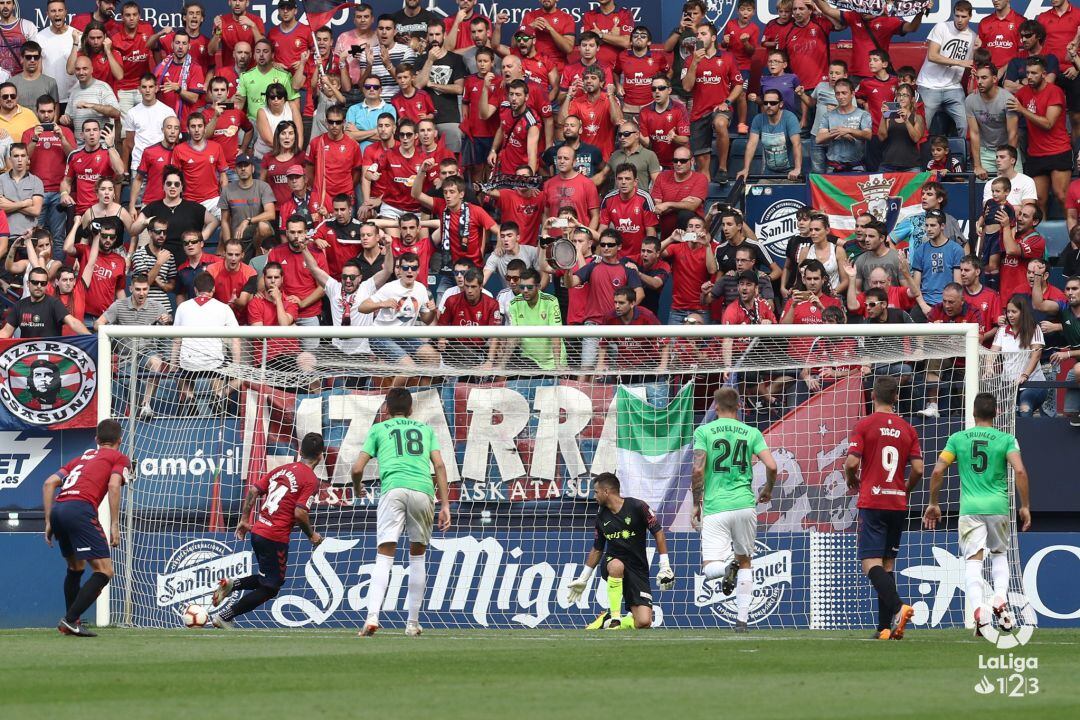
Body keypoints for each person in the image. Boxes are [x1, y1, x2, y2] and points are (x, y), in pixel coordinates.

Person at [924, 392, 1031, 636]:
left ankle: (979, 610)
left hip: (970, 510)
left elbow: (938, 471)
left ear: (972, 413)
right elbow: (1021, 471)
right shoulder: (1006, 439)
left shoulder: (957, 439)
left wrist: (933, 502)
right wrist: (1024, 506)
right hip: (998, 507)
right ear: (996, 413)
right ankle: (999, 599)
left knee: (973, 560)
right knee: (999, 555)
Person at [351, 387, 451, 637]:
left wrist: (356, 488)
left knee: (385, 555)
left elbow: (356, 469)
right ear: (411, 410)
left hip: (393, 489)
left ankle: (372, 617)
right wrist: (445, 504)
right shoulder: (425, 430)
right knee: (417, 555)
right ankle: (412, 623)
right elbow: (439, 464)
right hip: (423, 490)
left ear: (385, 409)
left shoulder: (378, 429)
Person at [211, 432, 325, 629]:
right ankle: (226, 616)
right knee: (271, 587)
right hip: (275, 537)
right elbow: (300, 513)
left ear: (299, 451)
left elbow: (254, 490)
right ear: (321, 456)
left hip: (258, 531)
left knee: (267, 579)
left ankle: (232, 585)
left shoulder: (282, 469)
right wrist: (312, 535)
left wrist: (245, 519)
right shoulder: (311, 480)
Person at [690, 387, 777, 633]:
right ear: (739, 407)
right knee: (745, 561)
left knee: (709, 568)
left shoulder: (704, 431)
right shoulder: (752, 432)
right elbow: (771, 465)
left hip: (716, 507)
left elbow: (698, 470)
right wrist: (768, 489)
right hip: (744, 504)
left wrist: (696, 503)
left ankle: (726, 568)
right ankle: (742, 621)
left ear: (715, 407)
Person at [844, 376, 922, 640]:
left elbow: (852, 462)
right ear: (897, 397)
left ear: (873, 396)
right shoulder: (908, 428)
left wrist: (850, 478)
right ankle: (884, 628)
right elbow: (919, 469)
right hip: (897, 503)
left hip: (874, 500)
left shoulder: (864, 424)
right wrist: (906, 488)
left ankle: (899, 608)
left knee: (870, 564)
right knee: (887, 565)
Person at [43, 419, 130, 637]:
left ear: (96, 440)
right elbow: (113, 485)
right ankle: (70, 620)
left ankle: (72, 621)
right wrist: (114, 524)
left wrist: (48, 521)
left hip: (59, 509)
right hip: (80, 510)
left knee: (76, 568)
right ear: (120, 440)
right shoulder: (119, 457)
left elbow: (49, 483)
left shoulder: (80, 458)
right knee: (105, 570)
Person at [566, 472, 672, 631]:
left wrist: (665, 566)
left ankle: (607, 619)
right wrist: (583, 578)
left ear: (606, 492)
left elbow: (658, 532)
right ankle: (615, 617)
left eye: (596, 492)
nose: (594, 496)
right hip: (612, 563)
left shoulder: (638, 507)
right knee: (616, 565)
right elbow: (597, 549)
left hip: (638, 569)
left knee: (643, 623)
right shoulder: (601, 516)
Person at [96, 273, 170, 419]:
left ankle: (146, 405)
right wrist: (109, 330)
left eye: (145, 289)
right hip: (126, 358)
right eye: (138, 289)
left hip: (147, 353)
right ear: (130, 289)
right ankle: (128, 411)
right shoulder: (119, 305)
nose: (141, 293)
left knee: (157, 363)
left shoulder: (156, 306)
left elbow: (168, 321)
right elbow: (98, 323)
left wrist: (167, 319)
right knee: (129, 386)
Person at [171, 271, 241, 414]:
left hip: (188, 365)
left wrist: (173, 364)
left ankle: (190, 397)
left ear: (195, 290)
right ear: (213, 289)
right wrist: (237, 366)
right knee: (241, 376)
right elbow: (236, 339)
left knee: (177, 371)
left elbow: (177, 341)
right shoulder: (224, 308)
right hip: (213, 365)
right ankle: (219, 395)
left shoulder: (182, 307)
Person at [1010, 56, 1072, 216]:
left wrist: (1023, 110)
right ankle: (1041, 238)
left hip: (1058, 150)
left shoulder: (1055, 92)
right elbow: (1006, 100)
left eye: (1034, 73)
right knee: (1039, 199)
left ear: (1044, 74)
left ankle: (1073, 235)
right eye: (1027, 73)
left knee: (1061, 195)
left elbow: (1048, 123)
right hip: (1036, 153)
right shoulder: (1023, 93)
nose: (1029, 77)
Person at [683, 22, 742, 183]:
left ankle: (723, 169)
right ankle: (706, 200)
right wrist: (695, 62)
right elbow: (687, 87)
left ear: (713, 38)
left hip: (720, 107)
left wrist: (727, 101)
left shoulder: (727, 57)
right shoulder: (690, 60)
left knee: (720, 123)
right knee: (702, 167)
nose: (699, 37)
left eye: (703, 34)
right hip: (698, 112)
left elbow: (738, 84)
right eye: (697, 35)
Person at [915, 2, 975, 136]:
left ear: (970, 16)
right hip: (929, 85)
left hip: (953, 87)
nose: (959, 20)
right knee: (922, 127)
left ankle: (962, 156)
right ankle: (920, 156)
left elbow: (973, 62)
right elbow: (932, 55)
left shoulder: (973, 37)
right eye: (957, 15)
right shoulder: (942, 27)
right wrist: (959, 63)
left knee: (966, 125)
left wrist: (977, 48)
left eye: (964, 16)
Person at [25, 95, 74, 253]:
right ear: (36, 112)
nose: (46, 115)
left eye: (50, 111)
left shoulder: (65, 131)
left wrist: (62, 138)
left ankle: (58, 272)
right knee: (34, 237)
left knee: (58, 237)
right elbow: (23, 159)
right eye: (42, 111)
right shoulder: (29, 133)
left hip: (59, 192)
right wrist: (34, 139)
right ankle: (36, 272)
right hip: (36, 192)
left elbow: (73, 158)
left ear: (55, 111)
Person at [987, 296, 1047, 417]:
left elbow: (1036, 354)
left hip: (1032, 383)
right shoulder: (1002, 330)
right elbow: (992, 353)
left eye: (1014, 312)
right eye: (1008, 312)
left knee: (1024, 410)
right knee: (1005, 417)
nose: (1010, 315)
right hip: (1008, 385)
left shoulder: (1034, 329)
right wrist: (989, 367)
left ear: (1023, 312)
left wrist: (1025, 375)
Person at [503, 267, 565, 370]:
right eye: (522, 287)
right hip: (529, 363)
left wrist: (558, 365)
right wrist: (502, 364)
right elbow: (513, 337)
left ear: (538, 286)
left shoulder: (551, 301)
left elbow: (556, 334)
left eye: (530, 287)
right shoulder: (514, 303)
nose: (525, 291)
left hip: (552, 363)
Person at [1, 265, 89, 337]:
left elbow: (73, 323)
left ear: (46, 285)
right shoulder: (20, 305)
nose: (39, 286)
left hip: (51, 356)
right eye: (35, 282)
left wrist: (92, 338)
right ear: (28, 284)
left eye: (43, 283)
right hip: (27, 356)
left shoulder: (54, 304)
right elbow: (6, 332)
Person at [966, 64, 1019, 180]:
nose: (979, 82)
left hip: (1008, 148)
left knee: (1015, 190)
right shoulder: (970, 100)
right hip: (985, 151)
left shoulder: (1007, 99)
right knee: (983, 191)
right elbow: (974, 133)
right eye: (977, 78)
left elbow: (1013, 133)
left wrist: (1008, 162)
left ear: (994, 79)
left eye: (984, 78)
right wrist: (977, 165)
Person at [660, 218, 716, 325]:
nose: (693, 229)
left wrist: (707, 245)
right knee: (673, 342)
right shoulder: (676, 248)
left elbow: (712, 270)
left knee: (702, 343)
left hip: (701, 309)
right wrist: (671, 238)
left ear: (704, 231)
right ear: (686, 230)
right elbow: (656, 253)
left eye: (697, 227)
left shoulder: (709, 249)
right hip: (678, 309)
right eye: (690, 226)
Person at [737, 88, 801, 181]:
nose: (768, 105)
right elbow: (751, 145)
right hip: (769, 174)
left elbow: (797, 144)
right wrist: (746, 169)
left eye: (773, 103)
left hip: (790, 174)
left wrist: (797, 169)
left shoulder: (789, 118)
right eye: (765, 103)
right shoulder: (758, 119)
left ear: (781, 104)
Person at [219, 153, 275, 256]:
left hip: (258, 235)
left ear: (253, 169)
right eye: (240, 166)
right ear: (236, 170)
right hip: (239, 237)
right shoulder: (227, 190)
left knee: (263, 226)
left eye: (246, 165)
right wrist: (228, 244)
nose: (243, 169)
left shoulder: (263, 186)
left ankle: (259, 255)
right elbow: (225, 221)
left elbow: (271, 214)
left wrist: (248, 221)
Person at [122, 74, 176, 181]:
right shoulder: (132, 113)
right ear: (139, 89)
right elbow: (129, 142)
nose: (147, 90)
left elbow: (175, 139)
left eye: (151, 87)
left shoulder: (168, 111)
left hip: (162, 164)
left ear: (156, 88)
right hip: (138, 164)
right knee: (138, 198)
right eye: (144, 87)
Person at [649, 146, 708, 237]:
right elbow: (658, 208)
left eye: (683, 161)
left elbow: (692, 206)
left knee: (685, 214)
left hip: (692, 237)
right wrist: (683, 203)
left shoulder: (700, 178)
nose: (678, 164)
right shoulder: (662, 177)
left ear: (692, 161)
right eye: (675, 160)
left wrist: (668, 204)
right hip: (667, 234)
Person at [815, 78, 872, 172]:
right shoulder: (828, 115)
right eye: (838, 93)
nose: (841, 96)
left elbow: (868, 135)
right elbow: (819, 138)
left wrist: (849, 130)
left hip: (856, 167)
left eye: (844, 93)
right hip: (833, 167)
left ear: (852, 94)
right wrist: (839, 132)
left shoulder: (863, 114)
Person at [637, 74, 690, 170]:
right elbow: (647, 143)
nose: (657, 91)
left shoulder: (679, 109)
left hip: (678, 163)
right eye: (654, 89)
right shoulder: (645, 111)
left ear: (669, 90)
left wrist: (674, 137)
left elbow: (685, 139)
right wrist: (637, 133)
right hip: (655, 164)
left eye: (661, 88)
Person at [37, 0, 78, 107]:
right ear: (47, 14)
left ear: (65, 12)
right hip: (49, 99)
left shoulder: (77, 35)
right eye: (53, 11)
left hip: (73, 97)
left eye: (60, 10)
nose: (57, 14)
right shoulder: (39, 37)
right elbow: (38, 70)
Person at [877, 83, 924, 173]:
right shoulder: (889, 116)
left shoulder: (917, 117)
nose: (901, 98)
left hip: (911, 166)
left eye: (905, 95)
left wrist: (906, 121)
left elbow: (916, 138)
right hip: (888, 165)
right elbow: (881, 137)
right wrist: (883, 117)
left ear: (912, 99)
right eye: (899, 95)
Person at [0, 143, 43, 237]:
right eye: (16, 156)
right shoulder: (1, 179)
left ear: (28, 158)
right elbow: (0, 207)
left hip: (29, 235)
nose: (19, 160)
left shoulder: (36, 181)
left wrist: (9, 203)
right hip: (4, 236)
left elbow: (36, 211)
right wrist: (24, 203)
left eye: (23, 156)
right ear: (10, 159)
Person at [208, 0, 265, 69]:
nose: (237, 3)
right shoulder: (222, 21)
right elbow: (211, 52)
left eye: (241, 0)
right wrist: (218, 32)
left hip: (252, 71)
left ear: (247, 3)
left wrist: (253, 26)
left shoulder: (256, 20)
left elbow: (263, 48)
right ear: (229, 2)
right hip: (229, 72)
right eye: (234, 0)